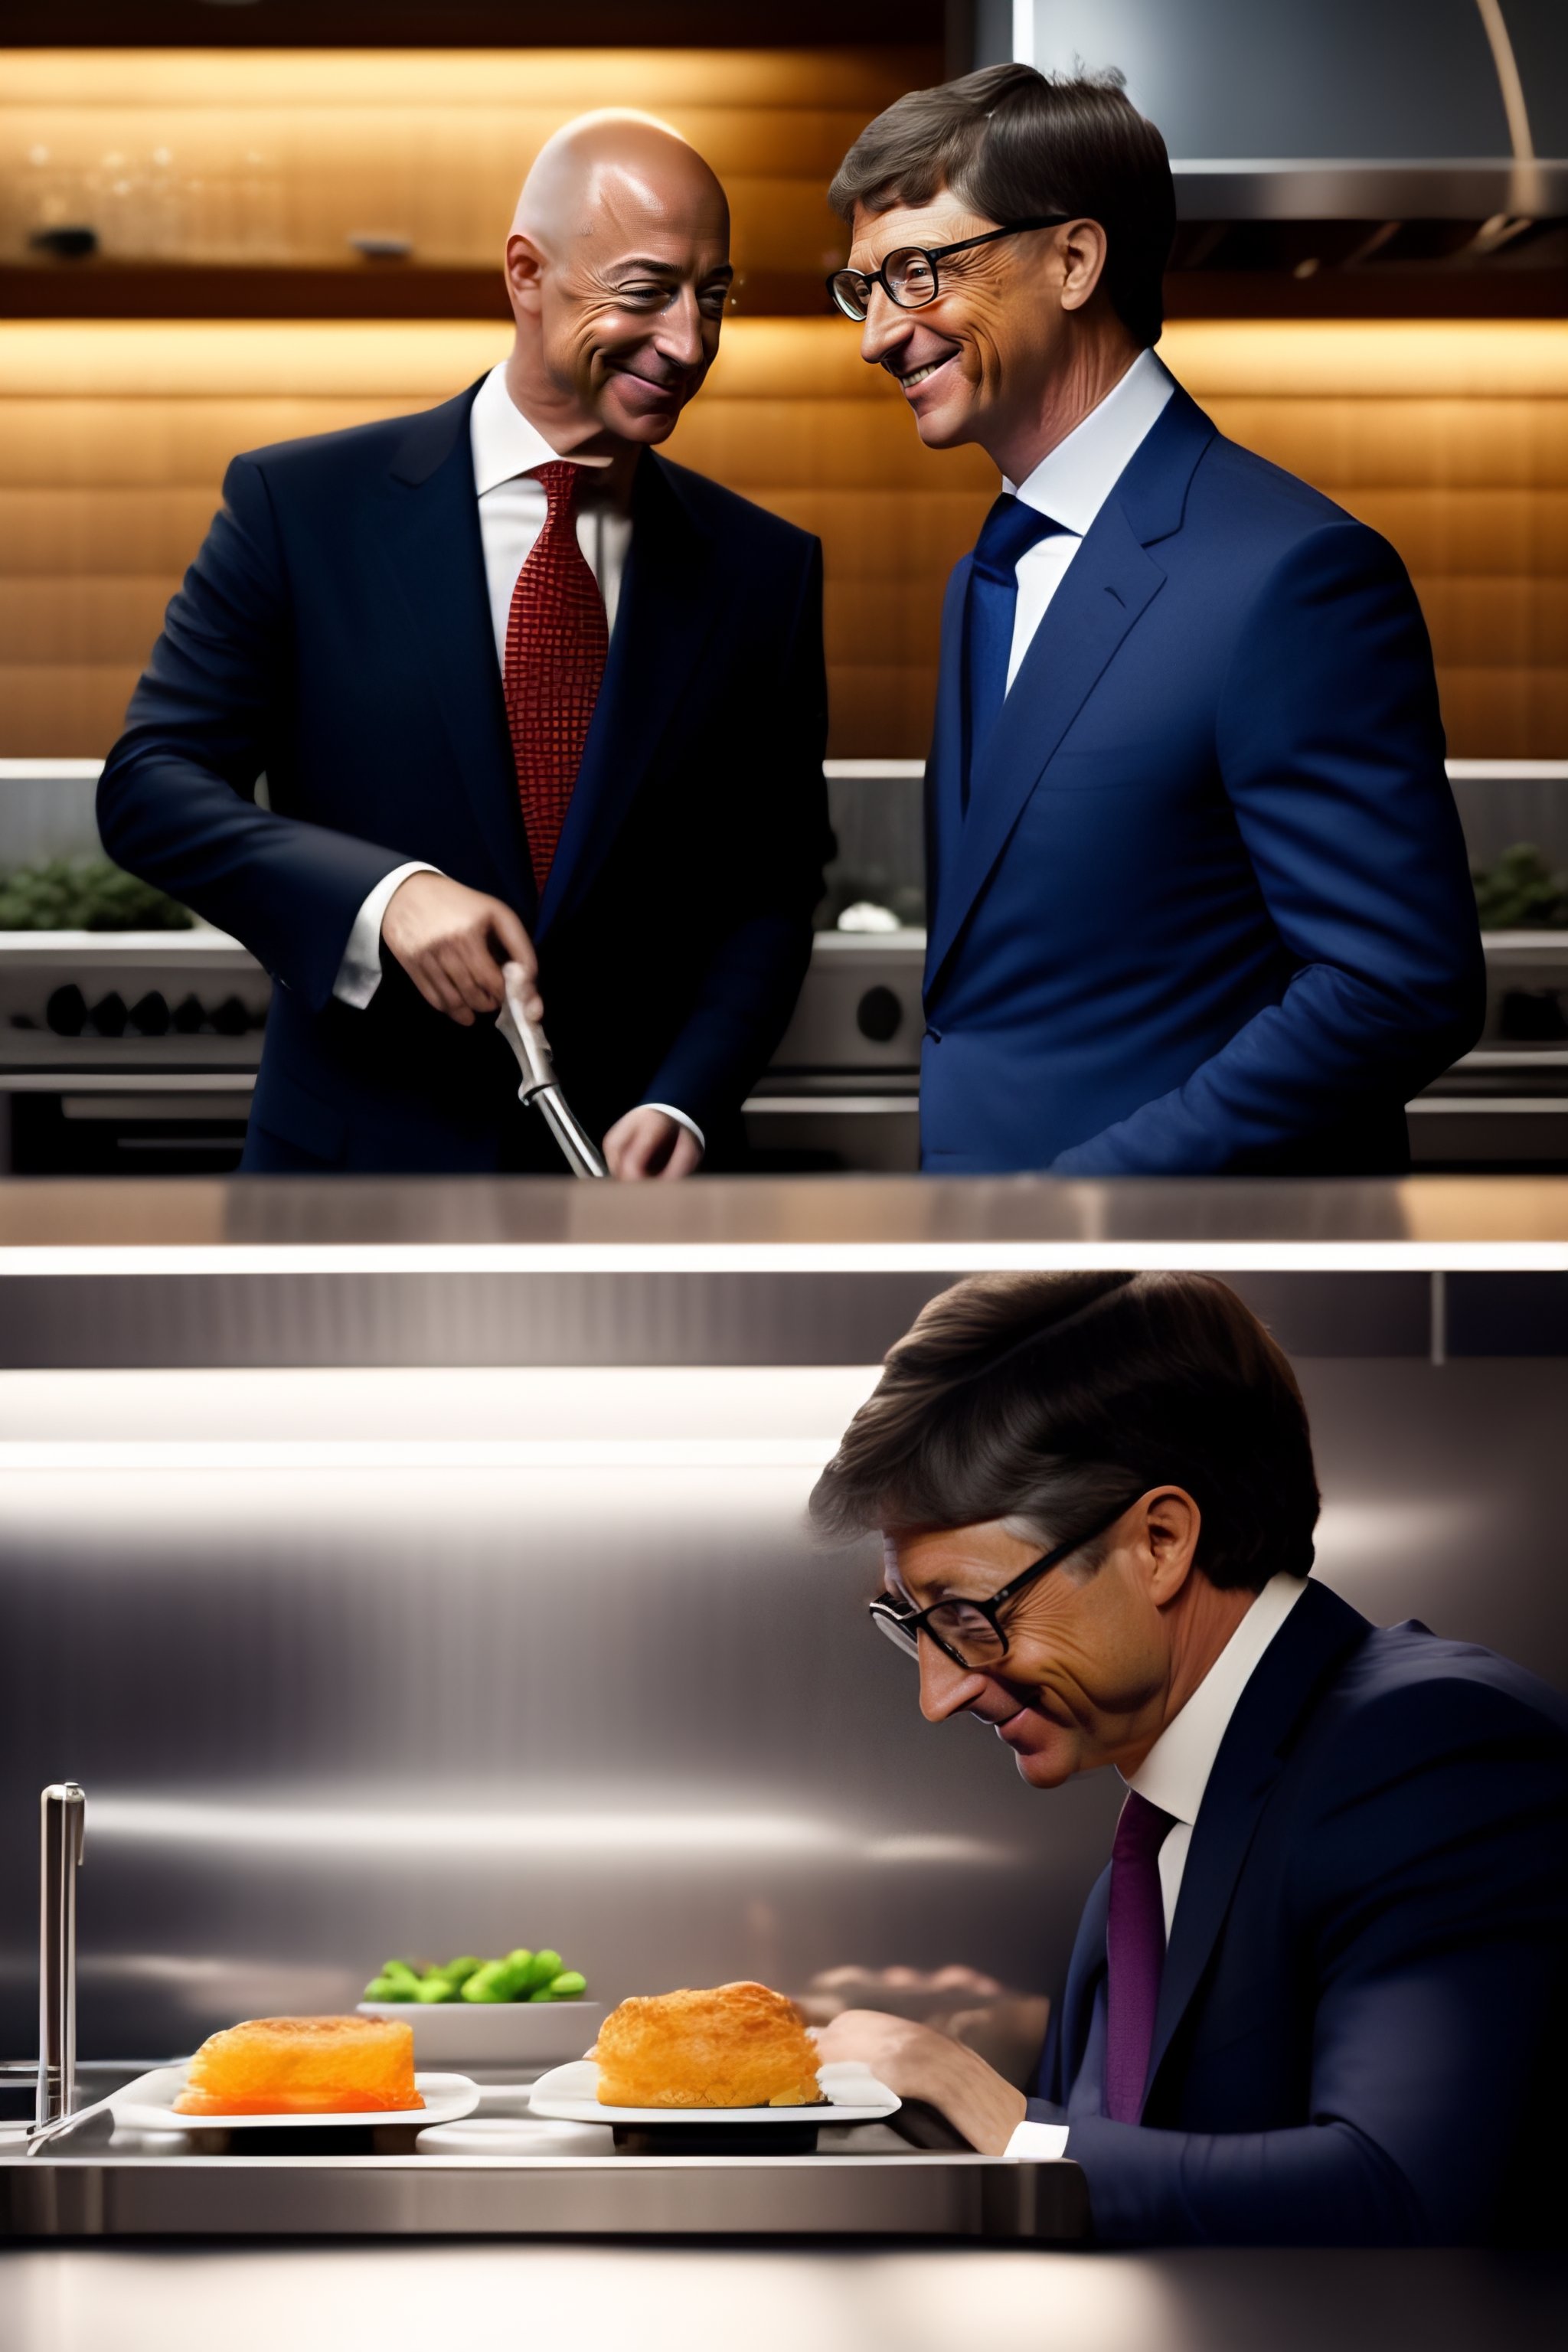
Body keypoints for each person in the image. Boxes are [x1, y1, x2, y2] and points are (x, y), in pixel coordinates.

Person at [98, 113, 831, 1176]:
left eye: (713, 296)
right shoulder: (299, 508)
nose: (689, 342)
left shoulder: (765, 572)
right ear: (526, 274)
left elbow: (770, 887)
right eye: (644, 291)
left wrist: (692, 1098)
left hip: (630, 1209)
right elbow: (150, 788)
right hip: (350, 1186)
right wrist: (385, 896)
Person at [808, 1271, 1568, 2245]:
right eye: (910, 1624)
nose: (940, 1691)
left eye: (966, 1617)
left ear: (1159, 1543)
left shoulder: (1433, 1749)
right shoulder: (1150, 1855)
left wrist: (975, 2098)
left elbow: (1399, 2193)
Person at [825, 67, 1485, 1174]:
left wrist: (1086, 1207)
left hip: (1172, 1299)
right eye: (865, 289)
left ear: (1075, 261)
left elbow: (1397, 985)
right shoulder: (988, 570)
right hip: (992, 1281)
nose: (879, 337)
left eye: (918, 273)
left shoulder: (1295, 575)